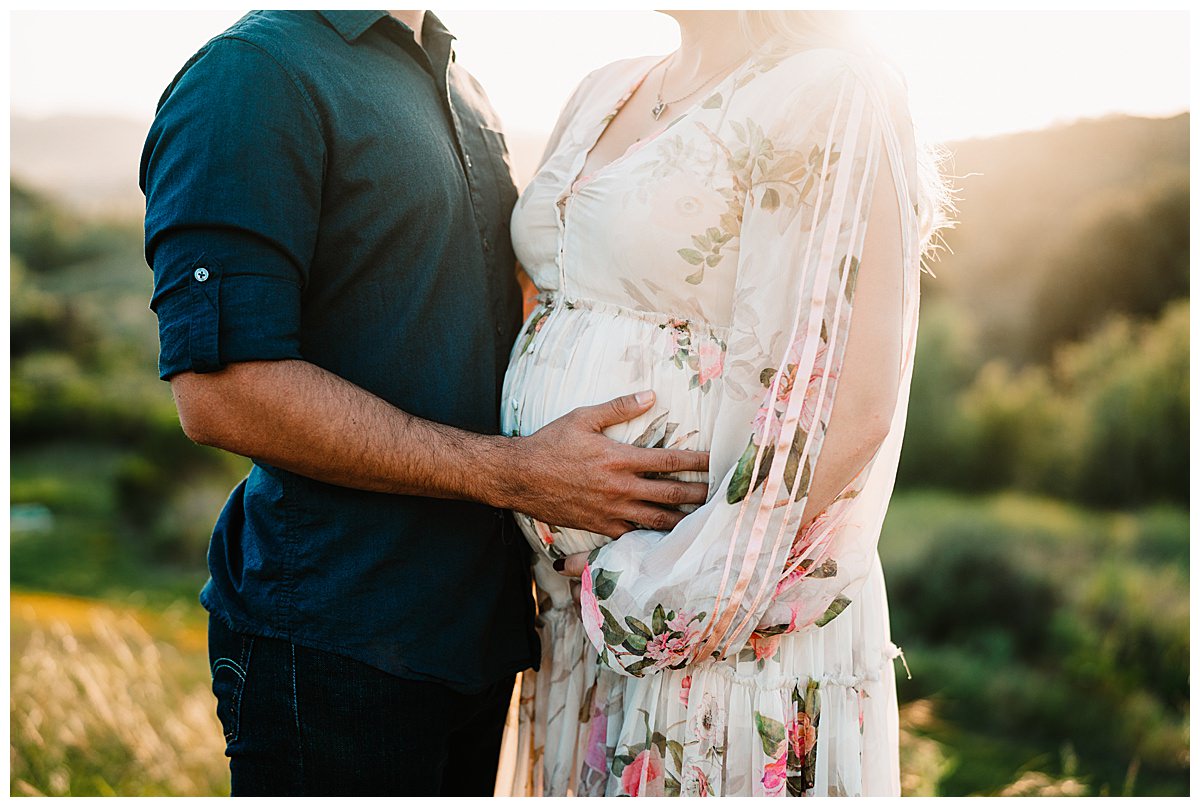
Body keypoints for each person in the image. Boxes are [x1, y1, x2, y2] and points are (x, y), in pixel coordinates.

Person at [139, 9, 709, 797]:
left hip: (476, 633)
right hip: (335, 638)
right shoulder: (251, 77)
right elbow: (223, 391)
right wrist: (516, 472)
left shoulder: (458, 81)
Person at [497, 9, 952, 797]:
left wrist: (670, 585)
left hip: (707, 618)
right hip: (577, 620)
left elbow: (855, 398)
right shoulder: (605, 87)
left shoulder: (832, 87)